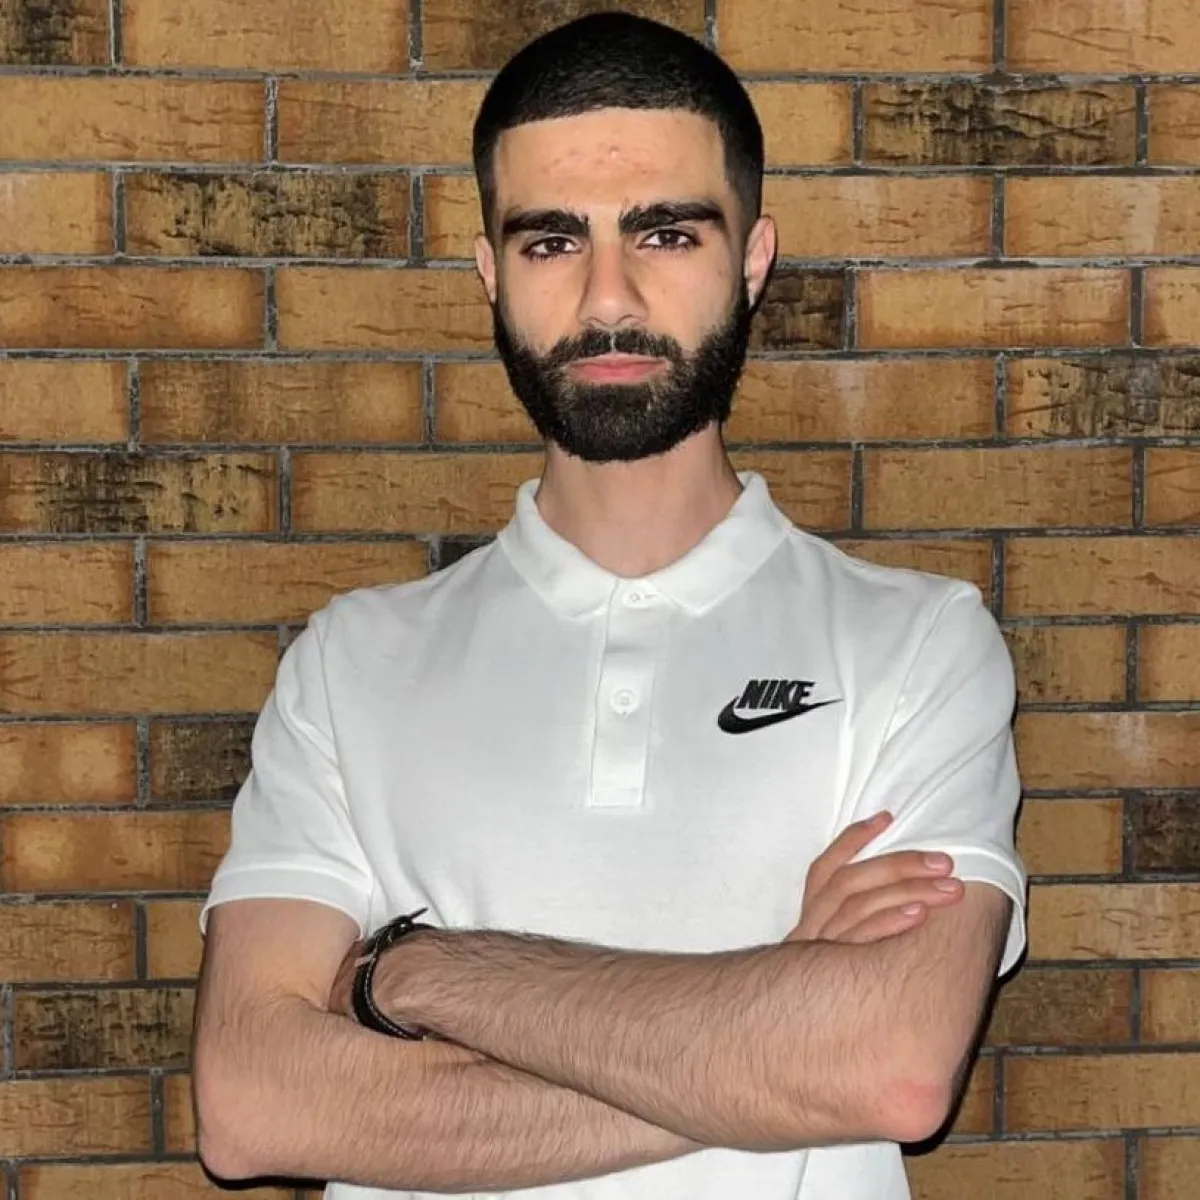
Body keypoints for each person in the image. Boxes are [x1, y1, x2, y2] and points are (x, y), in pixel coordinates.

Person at [192, 13, 1025, 1200]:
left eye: (666, 233)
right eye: (550, 241)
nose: (608, 297)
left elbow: (887, 1068)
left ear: (752, 259)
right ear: (490, 272)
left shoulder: (918, 643)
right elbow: (251, 1107)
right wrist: (770, 1025)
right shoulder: (349, 663)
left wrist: (418, 973)